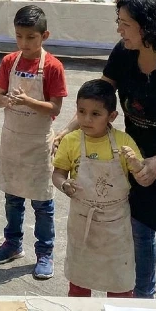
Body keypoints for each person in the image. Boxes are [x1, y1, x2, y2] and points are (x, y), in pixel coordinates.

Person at [53, 0, 156, 301]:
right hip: (134, 156)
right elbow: (100, 95)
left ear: (149, 26)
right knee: (139, 235)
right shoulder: (124, 53)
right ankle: (141, 304)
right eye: (119, 22)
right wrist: (67, 131)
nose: (119, 30)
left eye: (126, 24)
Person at [0, 5, 67, 281]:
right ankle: (13, 243)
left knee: (43, 202)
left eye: (31, 38)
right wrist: (7, 100)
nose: (25, 43)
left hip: (38, 142)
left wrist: (28, 101)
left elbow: (54, 107)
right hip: (12, 139)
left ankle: (45, 251)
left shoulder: (54, 66)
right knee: (12, 197)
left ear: (44, 35)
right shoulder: (10, 61)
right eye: (20, 37)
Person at [53, 79, 145, 298]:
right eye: (81, 112)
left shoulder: (124, 142)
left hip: (116, 227)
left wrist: (136, 165)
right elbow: (58, 174)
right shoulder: (71, 141)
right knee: (79, 284)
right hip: (81, 222)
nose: (86, 119)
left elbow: (144, 179)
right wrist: (64, 185)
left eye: (96, 114)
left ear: (111, 116)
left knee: (120, 284)